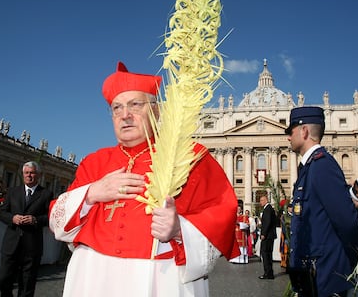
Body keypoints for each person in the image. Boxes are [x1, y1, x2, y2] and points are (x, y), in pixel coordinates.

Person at [49, 61, 240, 297]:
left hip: (161, 277)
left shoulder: (190, 156)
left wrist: (180, 230)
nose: (125, 115)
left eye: (135, 105)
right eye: (116, 108)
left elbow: (222, 213)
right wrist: (91, 194)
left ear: (157, 110)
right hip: (93, 276)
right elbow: (58, 221)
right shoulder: (94, 161)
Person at [285, 106, 358, 296]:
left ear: (304, 131)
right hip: (312, 277)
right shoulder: (310, 167)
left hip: (326, 276)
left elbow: (347, 222)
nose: (288, 137)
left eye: (290, 131)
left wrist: (348, 265)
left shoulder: (322, 166)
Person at [0, 161, 53, 297]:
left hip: (32, 245)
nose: (29, 175)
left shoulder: (46, 194)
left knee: (27, 283)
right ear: (22, 174)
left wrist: (36, 220)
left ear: (38, 175)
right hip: (11, 243)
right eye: (26, 173)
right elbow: (1, 212)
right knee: (4, 278)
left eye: (32, 173)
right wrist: (12, 218)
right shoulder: (12, 191)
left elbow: (51, 217)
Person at [258, 195, 277, 280]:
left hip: (267, 236)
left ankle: (267, 273)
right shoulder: (269, 208)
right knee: (268, 254)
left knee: (265, 254)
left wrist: (263, 234)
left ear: (266, 200)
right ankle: (270, 273)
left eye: (261, 200)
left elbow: (267, 222)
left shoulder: (268, 209)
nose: (260, 202)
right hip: (270, 235)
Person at [280, 203, 292, 269]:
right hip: (287, 235)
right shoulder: (284, 216)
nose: (291, 209)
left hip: (294, 236)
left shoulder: (296, 215)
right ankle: (287, 265)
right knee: (287, 251)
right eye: (290, 207)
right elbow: (283, 226)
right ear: (287, 209)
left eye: (292, 207)